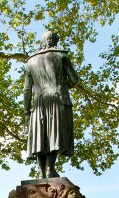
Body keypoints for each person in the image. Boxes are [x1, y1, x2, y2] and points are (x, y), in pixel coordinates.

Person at [23, 30, 79, 178]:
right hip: (57, 98)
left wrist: (27, 111)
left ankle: (41, 172)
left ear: (43, 41)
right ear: (55, 41)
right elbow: (74, 79)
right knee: (54, 135)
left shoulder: (30, 61)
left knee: (40, 137)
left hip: (39, 102)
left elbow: (27, 89)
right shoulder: (62, 56)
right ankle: (50, 169)